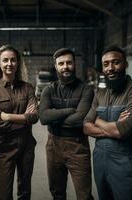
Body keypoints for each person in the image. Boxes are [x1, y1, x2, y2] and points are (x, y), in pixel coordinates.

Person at [83, 46, 132, 200]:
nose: (110, 68)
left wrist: (97, 120)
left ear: (125, 64)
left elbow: (122, 131)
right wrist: (112, 127)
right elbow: (86, 126)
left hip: (125, 162)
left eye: (116, 62)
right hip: (100, 160)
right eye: (106, 64)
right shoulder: (100, 93)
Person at [39, 48, 94, 200]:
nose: (65, 67)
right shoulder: (49, 90)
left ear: (74, 64)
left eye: (69, 62)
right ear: (56, 66)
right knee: (57, 193)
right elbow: (43, 117)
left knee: (84, 195)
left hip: (78, 146)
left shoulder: (86, 89)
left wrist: (54, 116)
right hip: (53, 146)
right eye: (61, 63)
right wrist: (70, 110)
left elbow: (79, 120)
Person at [0, 44, 38, 200]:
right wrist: (24, 118)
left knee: (25, 191)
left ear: (18, 63)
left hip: (27, 145)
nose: (9, 64)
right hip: (4, 147)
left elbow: (34, 117)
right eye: (5, 60)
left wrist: (8, 116)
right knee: (4, 194)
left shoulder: (28, 88)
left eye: (13, 60)